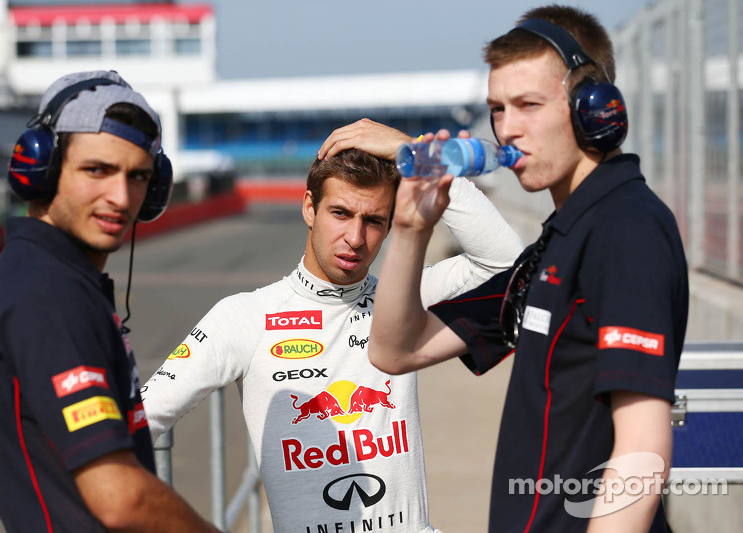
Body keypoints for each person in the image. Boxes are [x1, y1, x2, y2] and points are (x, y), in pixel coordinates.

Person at [367, 5, 689, 532]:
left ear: (592, 109)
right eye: (497, 108)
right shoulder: (557, 241)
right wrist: (410, 228)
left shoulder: (625, 229)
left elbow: (643, 446)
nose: (507, 129)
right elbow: (395, 349)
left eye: (528, 105)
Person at [141, 118, 524, 532]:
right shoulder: (242, 318)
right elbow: (138, 422)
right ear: (310, 208)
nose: (355, 238)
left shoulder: (408, 295)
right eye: (340, 213)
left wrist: (411, 150)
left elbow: (507, 263)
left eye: (374, 220)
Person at [0, 70, 221, 532]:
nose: (121, 197)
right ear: (41, 168)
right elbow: (118, 497)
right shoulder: (51, 294)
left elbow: (0, 483)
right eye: (97, 170)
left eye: (139, 177)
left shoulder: (32, 275)